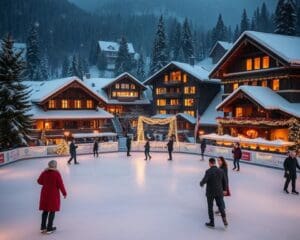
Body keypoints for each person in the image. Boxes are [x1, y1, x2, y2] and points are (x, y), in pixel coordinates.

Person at [37, 160, 67, 234]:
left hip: (45, 193)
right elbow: (60, 184)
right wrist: (64, 193)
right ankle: (49, 228)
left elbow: (39, 181)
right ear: (55, 166)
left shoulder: (44, 172)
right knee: (52, 210)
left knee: (45, 210)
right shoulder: (56, 173)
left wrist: (46, 182)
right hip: (53, 194)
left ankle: (43, 227)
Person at [200, 158, 228, 228]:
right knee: (221, 206)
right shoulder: (221, 170)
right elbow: (225, 181)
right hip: (219, 191)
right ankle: (225, 221)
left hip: (210, 192)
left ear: (210, 163)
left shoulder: (208, 171)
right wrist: (224, 190)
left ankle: (212, 222)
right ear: (215, 163)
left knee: (210, 207)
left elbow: (204, 180)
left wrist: (201, 183)